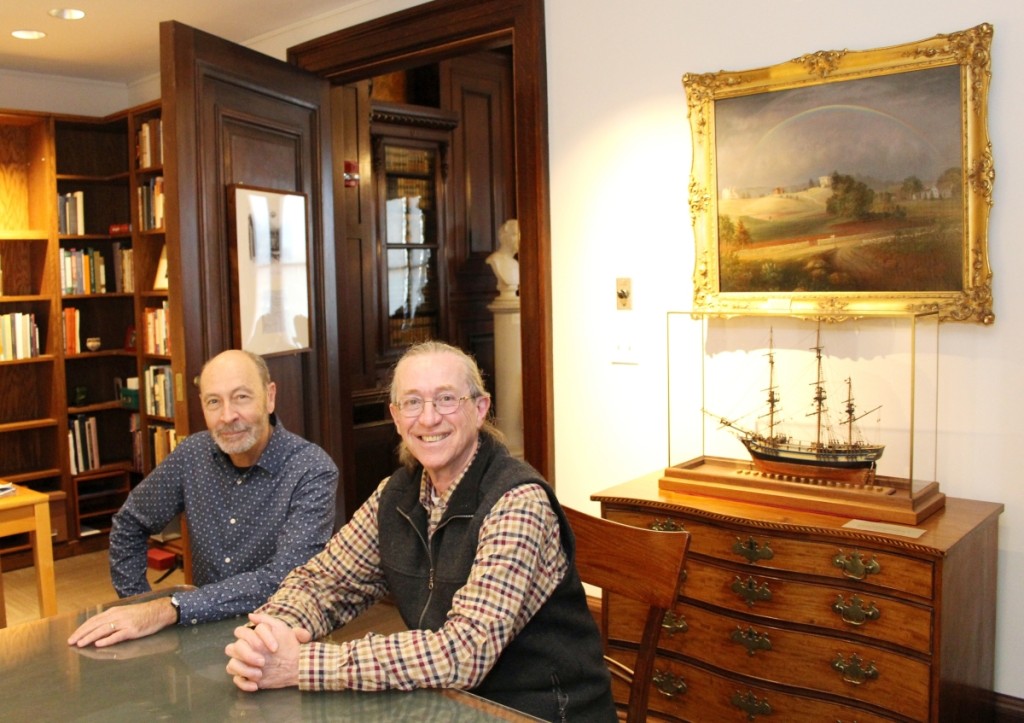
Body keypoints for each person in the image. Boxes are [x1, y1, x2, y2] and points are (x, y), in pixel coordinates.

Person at [225, 341, 615, 722]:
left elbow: (465, 652)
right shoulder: (395, 494)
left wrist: (303, 664)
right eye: (412, 402)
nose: (428, 418)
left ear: (480, 409)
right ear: (396, 417)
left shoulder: (517, 502)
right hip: (445, 704)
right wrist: (270, 636)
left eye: (446, 399)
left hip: (538, 710)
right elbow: (325, 581)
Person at [68, 349, 338, 648]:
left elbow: (285, 578)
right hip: (201, 636)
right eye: (214, 402)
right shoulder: (193, 454)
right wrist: (138, 602)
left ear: (269, 397)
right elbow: (129, 524)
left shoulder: (310, 468)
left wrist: (170, 607)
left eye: (241, 397)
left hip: (280, 638)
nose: (227, 416)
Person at [485, 218, 520, 300]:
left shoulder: (515, 264)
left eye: (520, 235)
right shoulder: (495, 260)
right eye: (515, 235)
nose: (519, 239)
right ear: (503, 237)